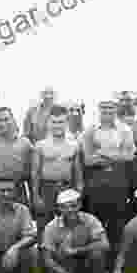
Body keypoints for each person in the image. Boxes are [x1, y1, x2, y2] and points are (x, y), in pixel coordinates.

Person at [81, 95, 137, 267]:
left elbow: (129, 156)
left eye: (110, 108)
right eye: (103, 108)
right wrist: (114, 157)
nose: (107, 111)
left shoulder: (125, 130)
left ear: (116, 109)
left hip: (118, 181)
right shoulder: (90, 130)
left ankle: (115, 264)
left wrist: (103, 155)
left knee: (117, 223)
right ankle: (97, 263)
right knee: (96, 222)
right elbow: (88, 160)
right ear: (99, 110)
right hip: (96, 181)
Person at [41, 189, 110, 273]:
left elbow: (105, 244)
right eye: (65, 207)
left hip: (86, 263)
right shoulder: (51, 227)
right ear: (59, 209)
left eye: (73, 206)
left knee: (98, 254)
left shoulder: (90, 220)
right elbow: (47, 259)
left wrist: (77, 250)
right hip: (64, 267)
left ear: (80, 205)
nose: (70, 210)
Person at [31, 104, 84, 242]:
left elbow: (78, 173)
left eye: (61, 122)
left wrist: (79, 193)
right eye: (54, 122)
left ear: (66, 123)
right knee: (44, 226)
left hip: (67, 187)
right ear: (48, 123)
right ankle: (43, 259)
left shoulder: (74, 144)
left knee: (68, 226)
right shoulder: (40, 145)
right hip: (46, 188)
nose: (57, 125)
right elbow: (35, 173)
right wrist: (36, 196)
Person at [0, 106, 33, 206]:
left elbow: (31, 174)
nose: (2, 123)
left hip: (18, 190)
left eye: (6, 119)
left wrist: (33, 196)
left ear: (12, 120)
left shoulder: (25, 143)